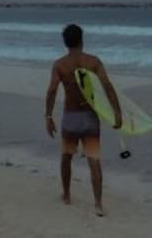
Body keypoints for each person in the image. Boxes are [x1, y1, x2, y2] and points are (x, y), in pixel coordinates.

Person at [44, 23, 122, 217]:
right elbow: (107, 86)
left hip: (70, 117)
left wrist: (48, 116)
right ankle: (98, 204)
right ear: (82, 40)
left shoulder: (60, 64)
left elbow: (52, 90)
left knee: (66, 157)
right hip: (89, 117)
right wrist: (117, 112)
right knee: (94, 161)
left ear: (65, 43)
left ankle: (67, 195)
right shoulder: (93, 61)